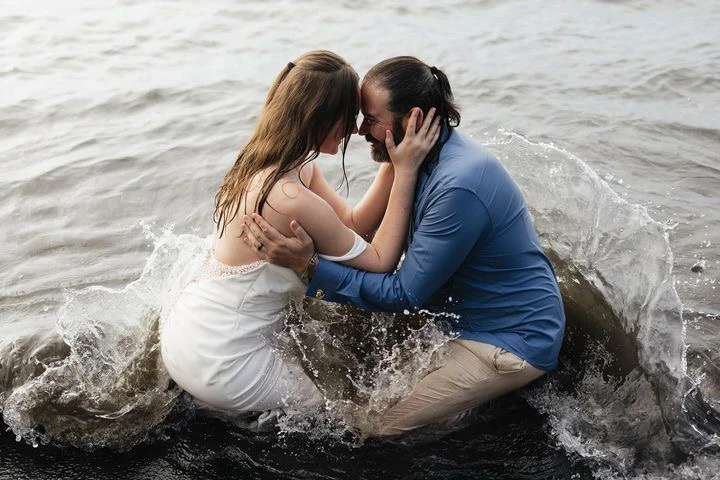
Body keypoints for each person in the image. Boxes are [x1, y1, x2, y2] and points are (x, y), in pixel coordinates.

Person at [241, 56, 566, 436]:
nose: (360, 130)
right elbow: (359, 232)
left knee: (376, 427)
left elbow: (404, 293)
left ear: (411, 120)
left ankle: (490, 410)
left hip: (510, 338)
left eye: (371, 119)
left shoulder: (458, 184)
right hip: (459, 312)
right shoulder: (411, 159)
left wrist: (309, 267)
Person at [159, 51, 440, 420]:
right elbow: (380, 261)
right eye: (349, 116)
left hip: (188, 334)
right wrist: (407, 172)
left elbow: (352, 225)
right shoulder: (291, 198)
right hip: (222, 362)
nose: (355, 129)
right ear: (320, 117)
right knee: (334, 420)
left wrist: (391, 158)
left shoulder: (271, 167)